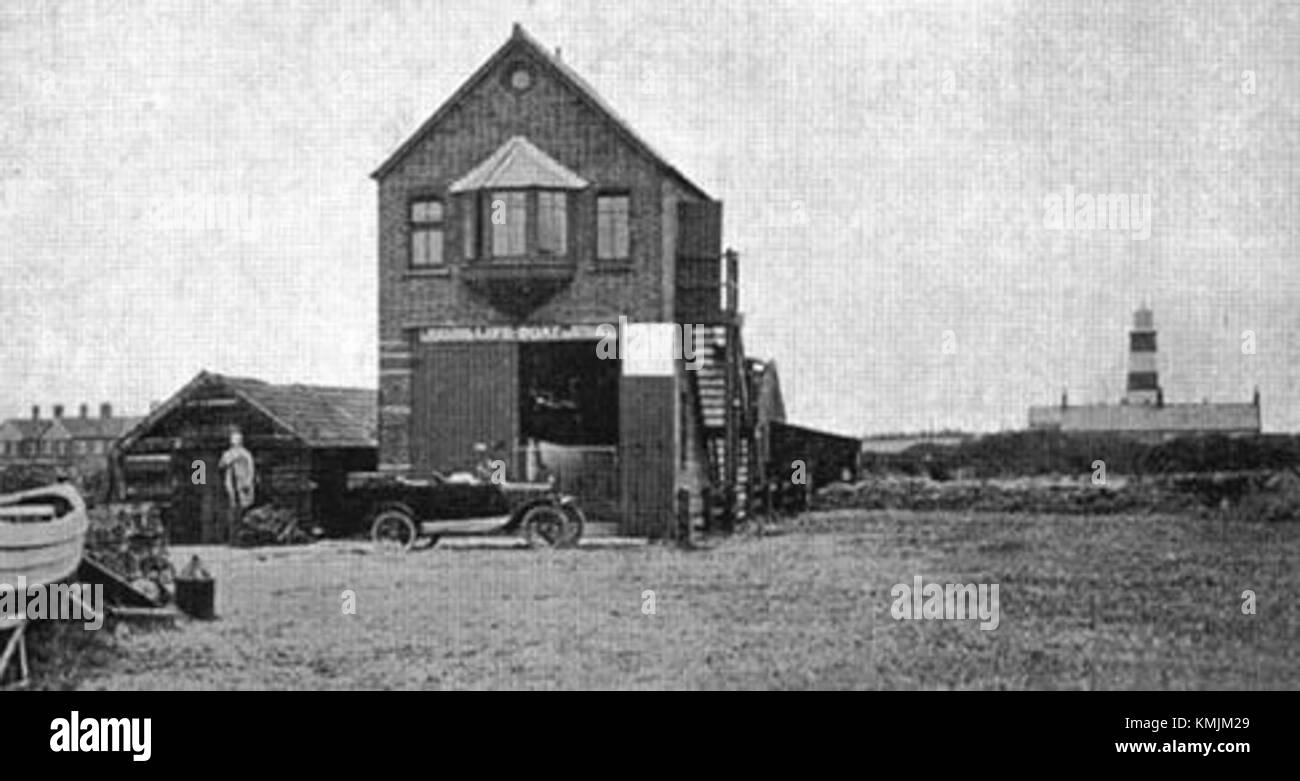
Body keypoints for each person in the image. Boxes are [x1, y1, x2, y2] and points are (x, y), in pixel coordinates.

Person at [218, 429, 256, 542]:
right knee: (232, 512)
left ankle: (242, 537)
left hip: (243, 485)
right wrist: (229, 460)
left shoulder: (246, 454)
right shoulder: (228, 454)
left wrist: (248, 482)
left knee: (243, 511)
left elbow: (251, 469)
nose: (236, 442)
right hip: (231, 486)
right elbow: (221, 465)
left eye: (238, 439)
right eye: (234, 439)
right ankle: (232, 537)